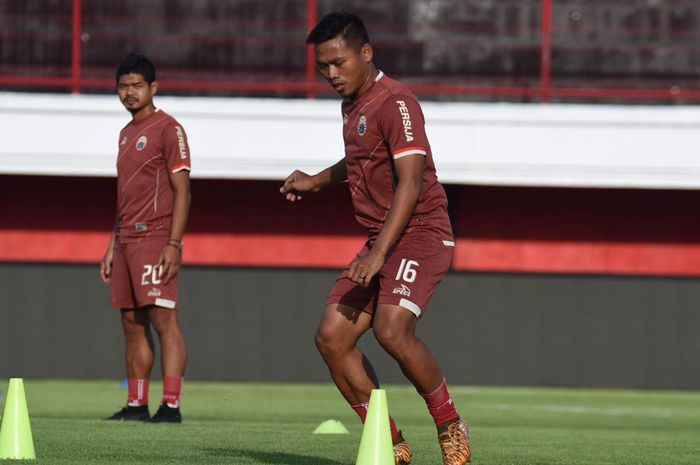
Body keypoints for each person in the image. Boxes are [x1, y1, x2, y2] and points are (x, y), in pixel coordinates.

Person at [280, 11, 471, 465]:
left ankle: (450, 425)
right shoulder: (353, 106)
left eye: (339, 63)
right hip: (381, 238)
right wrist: (315, 181)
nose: (331, 74)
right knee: (331, 338)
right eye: (323, 66)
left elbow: (410, 181)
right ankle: (389, 442)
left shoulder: (397, 102)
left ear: (366, 53)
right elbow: (360, 160)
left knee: (391, 329)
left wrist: (378, 253)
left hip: (421, 234)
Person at [100, 52, 191, 423]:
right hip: (125, 241)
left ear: (153, 87)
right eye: (123, 86)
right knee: (131, 321)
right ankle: (136, 404)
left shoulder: (169, 128)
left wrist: (173, 242)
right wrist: (111, 244)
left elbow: (183, 191)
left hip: (155, 237)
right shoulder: (125, 134)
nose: (129, 92)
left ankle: (170, 406)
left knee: (162, 320)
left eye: (137, 85)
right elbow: (124, 196)